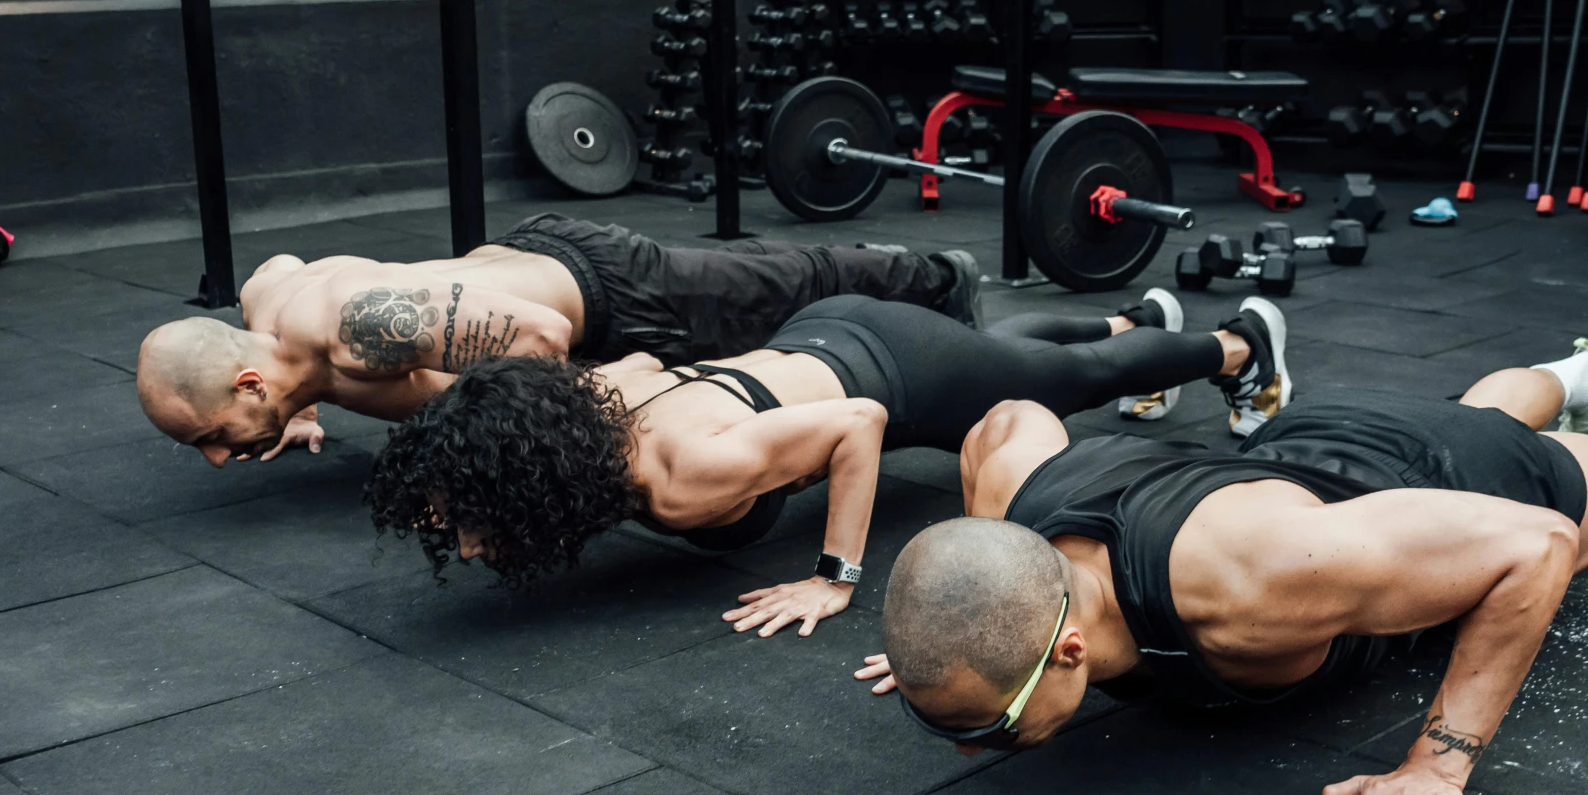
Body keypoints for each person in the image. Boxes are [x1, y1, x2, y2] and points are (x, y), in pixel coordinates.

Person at [860, 314, 1588, 795]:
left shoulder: (1243, 585)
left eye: (986, 728)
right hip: (1329, 463)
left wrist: (1436, 766)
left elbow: (1536, 546)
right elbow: (1007, 416)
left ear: (1066, 650)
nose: (965, 748)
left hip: (1454, 482)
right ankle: (1587, 362)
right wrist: (946, 641)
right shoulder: (1016, 518)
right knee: (1464, 408)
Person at [363, 293, 1290, 638]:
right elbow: (642, 365)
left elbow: (859, 424)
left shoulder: (682, 474)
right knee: (1008, 353)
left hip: (888, 371)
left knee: (1066, 383)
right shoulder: (595, 404)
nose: (474, 549)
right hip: (820, 335)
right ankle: (1133, 317)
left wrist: (835, 578)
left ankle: (1239, 346)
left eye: (478, 523)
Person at [132, 215, 980, 466]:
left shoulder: (352, 330)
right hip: (542, 265)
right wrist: (298, 409)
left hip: (608, 296)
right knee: (766, 279)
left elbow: (541, 334)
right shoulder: (266, 304)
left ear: (247, 382)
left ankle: (943, 277)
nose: (216, 457)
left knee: (785, 284)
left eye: (212, 437)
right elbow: (277, 261)